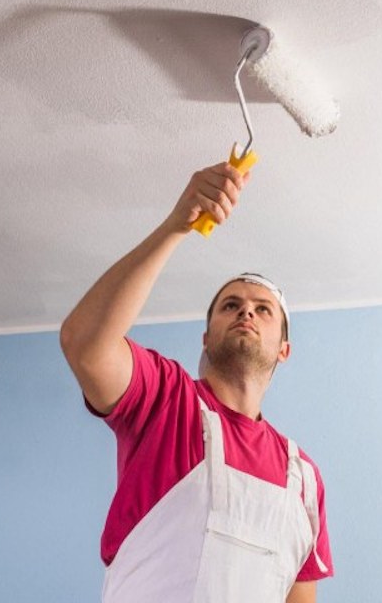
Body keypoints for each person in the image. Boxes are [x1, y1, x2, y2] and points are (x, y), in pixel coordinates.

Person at [60, 162, 333, 603]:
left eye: (264, 310)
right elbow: (84, 344)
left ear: (284, 349)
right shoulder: (167, 400)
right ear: (205, 338)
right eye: (230, 305)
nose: (246, 312)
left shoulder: (304, 480)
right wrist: (176, 226)